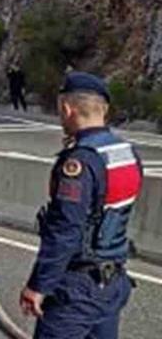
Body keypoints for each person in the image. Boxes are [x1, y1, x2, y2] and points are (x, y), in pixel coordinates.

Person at [19, 72, 143, 338]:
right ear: (104, 110)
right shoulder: (127, 153)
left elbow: (66, 230)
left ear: (67, 108)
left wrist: (39, 285)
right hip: (113, 283)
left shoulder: (80, 162)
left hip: (77, 291)